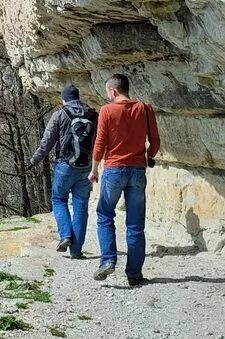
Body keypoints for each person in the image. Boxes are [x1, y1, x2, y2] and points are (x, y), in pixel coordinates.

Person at [89, 73, 160, 286]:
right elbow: (154, 141)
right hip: (137, 170)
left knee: (104, 214)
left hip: (113, 170)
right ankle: (134, 274)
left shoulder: (107, 111)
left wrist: (94, 170)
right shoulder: (144, 109)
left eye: (107, 92)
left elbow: (100, 143)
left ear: (113, 90)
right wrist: (149, 157)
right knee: (136, 225)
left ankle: (108, 260)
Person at [31, 84, 98, 258]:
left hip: (65, 166)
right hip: (85, 167)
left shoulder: (60, 114)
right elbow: (99, 142)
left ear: (64, 98)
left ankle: (65, 235)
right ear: (78, 97)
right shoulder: (92, 114)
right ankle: (76, 251)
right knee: (81, 207)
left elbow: (46, 143)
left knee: (59, 199)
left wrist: (34, 160)